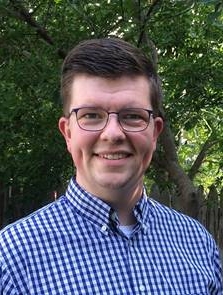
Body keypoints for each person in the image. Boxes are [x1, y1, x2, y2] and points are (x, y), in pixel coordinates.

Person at [0, 38, 222, 295]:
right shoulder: (12, 261)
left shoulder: (197, 243)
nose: (113, 133)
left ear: (155, 132)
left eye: (132, 116)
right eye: (91, 115)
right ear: (68, 133)